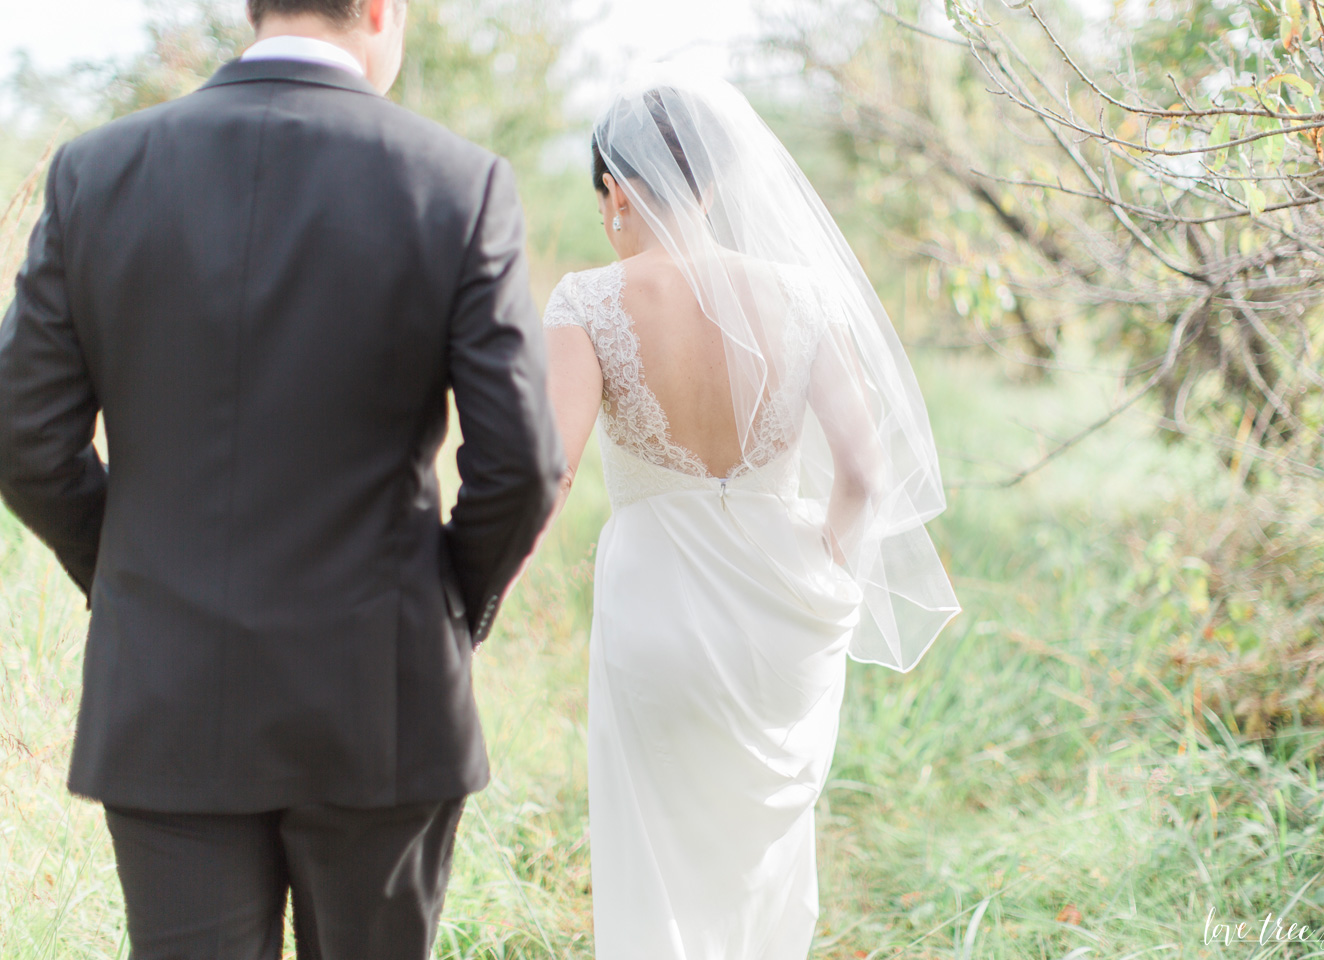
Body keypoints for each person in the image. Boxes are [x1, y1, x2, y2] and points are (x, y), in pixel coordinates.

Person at [0, 0, 566, 956]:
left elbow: (22, 431)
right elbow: (520, 463)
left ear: (254, 10)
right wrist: (441, 607)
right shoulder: (456, 182)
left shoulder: (96, 171)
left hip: (167, 693)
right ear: (381, 9)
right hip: (382, 698)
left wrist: (133, 575)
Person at [541, 67, 962, 960]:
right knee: (761, 867)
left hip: (656, 611)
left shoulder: (587, 301)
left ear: (615, 190)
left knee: (655, 863)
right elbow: (864, 471)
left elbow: (551, 471)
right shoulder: (801, 294)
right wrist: (827, 564)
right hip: (780, 612)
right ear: (718, 182)